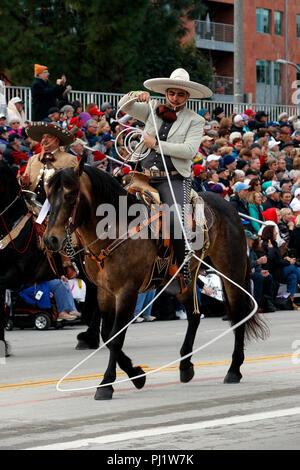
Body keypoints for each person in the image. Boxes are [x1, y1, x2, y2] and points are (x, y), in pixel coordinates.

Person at [117, 68, 212, 292]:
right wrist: (135, 95)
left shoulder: (195, 120)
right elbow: (124, 105)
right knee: (114, 207)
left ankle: (182, 268)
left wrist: (156, 145)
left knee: (176, 219)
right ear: (166, 93)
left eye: (180, 95)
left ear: (187, 96)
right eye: (172, 93)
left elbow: (189, 151)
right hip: (144, 176)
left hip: (175, 178)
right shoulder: (152, 110)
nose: (175, 98)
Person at [23, 121, 78, 203]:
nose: (44, 140)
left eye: (49, 137)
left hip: (55, 206)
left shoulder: (70, 159)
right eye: (43, 137)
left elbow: (74, 186)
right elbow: (25, 182)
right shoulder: (33, 159)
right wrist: (23, 181)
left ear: (57, 140)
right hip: (31, 206)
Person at [261, 224, 300, 310]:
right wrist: (288, 261)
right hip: (273, 272)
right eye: (275, 231)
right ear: (270, 233)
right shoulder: (266, 244)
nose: (276, 233)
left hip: (279, 269)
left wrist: (285, 258)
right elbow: (273, 261)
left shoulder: (273, 243)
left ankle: (290, 301)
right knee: (293, 267)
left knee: (293, 277)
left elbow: (277, 260)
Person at [246, 230, 275, 313]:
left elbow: (257, 266)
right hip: (243, 273)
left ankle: (268, 301)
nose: (253, 241)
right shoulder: (241, 251)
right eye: (251, 239)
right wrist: (257, 262)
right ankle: (257, 303)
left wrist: (261, 270)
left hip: (253, 272)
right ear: (246, 239)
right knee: (259, 277)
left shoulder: (251, 250)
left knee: (268, 276)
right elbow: (244, 266)